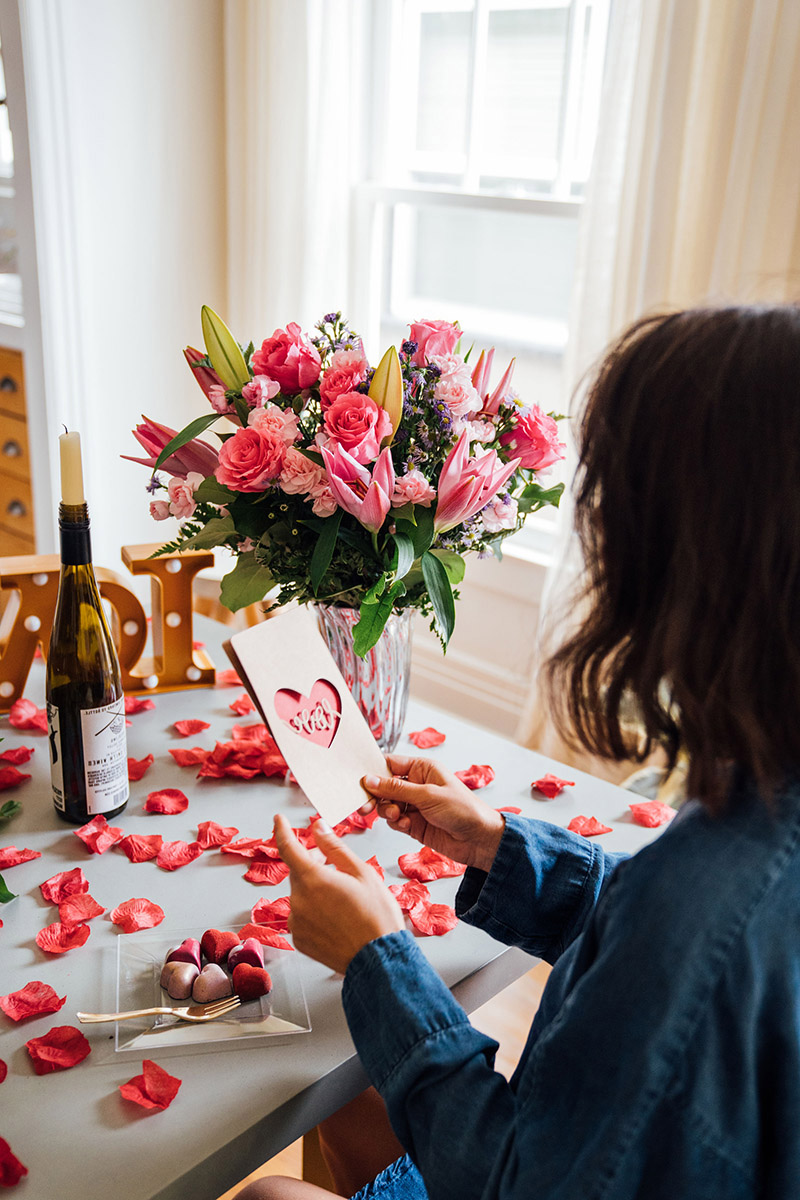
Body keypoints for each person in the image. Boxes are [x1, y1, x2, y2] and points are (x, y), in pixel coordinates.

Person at [239, 305, 800, 1200]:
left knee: (269, 1193)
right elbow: (660, 944)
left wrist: (377, 956)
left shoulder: (709, 908)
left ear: (690, 562)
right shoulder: (757, 821)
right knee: (354, 1106)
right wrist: (501, 847)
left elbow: (515, 1183)